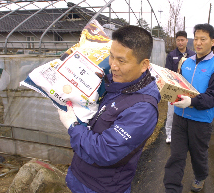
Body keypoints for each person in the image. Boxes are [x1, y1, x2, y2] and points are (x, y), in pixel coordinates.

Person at [58, 25, 161, 193]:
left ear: (144, 65)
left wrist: (72, 125)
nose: (113, 65)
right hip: (80, 176)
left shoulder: (143, 109)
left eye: (121, 60)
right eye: (111, 56)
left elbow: (104, 151)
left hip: (103, 187)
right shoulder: (118, 83)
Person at [163, 24, 214, 192]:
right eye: (196, 39)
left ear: (212, 42)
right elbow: (179, 85)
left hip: (201, 120)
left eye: (203, 39)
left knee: (198, 155)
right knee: (176, 155)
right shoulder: (186, 62)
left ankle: (200, 177)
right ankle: (171, 188)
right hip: (179, 117)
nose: (198, 43)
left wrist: (192, 102)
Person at [164, 31, 195, 143]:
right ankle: (169, 134)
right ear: (176, 41)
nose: (180, 42)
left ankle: (185, 134)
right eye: (178, 40)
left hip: (188, 88)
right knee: (171, 112)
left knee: (187, 112)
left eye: (182, 40)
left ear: (187, 40)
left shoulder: (192, 55)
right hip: (174, 88)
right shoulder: (171, 55)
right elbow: (167, 72)